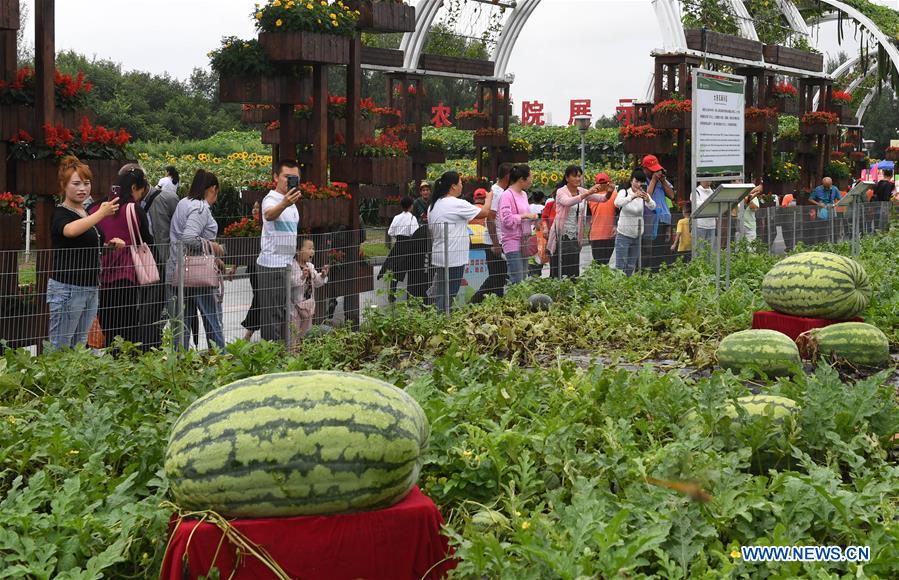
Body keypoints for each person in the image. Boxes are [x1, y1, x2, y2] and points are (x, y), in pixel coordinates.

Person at [48, 156, 125, 349]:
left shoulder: (86, 213)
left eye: (86, 183)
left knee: (79, 346)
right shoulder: (61, 213)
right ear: (64, 186)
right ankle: (55, 380)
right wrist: (101, 213)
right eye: (76, 183)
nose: (82, 188)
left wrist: (108, 246)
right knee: (61, 346)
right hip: (68, 288)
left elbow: (85, 245)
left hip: (90, 287)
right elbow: (70, 231)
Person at [90, 166, 158, 350]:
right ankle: (123, 361)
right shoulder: (134, 209)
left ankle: (108, 360)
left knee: (105, 323)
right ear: (135, 188)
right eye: (141, 192)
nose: (140, 197)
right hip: (125, 275)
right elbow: (148, 241)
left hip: (98, 276)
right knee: (126, 324)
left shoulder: (95, 208)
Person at [167, 169, 225, 350]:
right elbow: (189, 238)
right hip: (199, 274)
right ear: (213, 189)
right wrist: (213, 247)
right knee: (212, 320)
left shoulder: (184, 202)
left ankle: (179, 363)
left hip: (179, 271)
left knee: (181, 324)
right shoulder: (200, 208)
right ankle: (220, 358)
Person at [427, 171, 490, 312]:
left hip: (439, 255)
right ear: (453, 186)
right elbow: (485, 212)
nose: (462, 186)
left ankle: (436, 317)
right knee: (449, 294)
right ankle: (441, 319)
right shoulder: (456, 203)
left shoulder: (433, 204)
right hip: (454, 257)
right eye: (461, 183)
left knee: (441, 293)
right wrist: (490, 196)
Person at [256, 160, 302, 342]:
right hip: (272, 265)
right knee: (272, 317)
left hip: (286, 265)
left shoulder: (293, 204)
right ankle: (269, 356)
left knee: (283, 313)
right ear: (276, 177)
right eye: (286, 177)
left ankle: (281, 354)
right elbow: (268, 214)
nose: (290, 181)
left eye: (295, 178)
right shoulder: (271, 198)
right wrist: (284, 203)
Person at [547, 165, 609, 278]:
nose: (577, 179)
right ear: (567, 178)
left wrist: (609, 191)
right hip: (561, 235)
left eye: (579, 176)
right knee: (559, 269)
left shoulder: (580, 191)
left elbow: (602, 199)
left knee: (573, 270)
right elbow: (567, 202)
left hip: (575, 236)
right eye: (574, 176)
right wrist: (587, 193)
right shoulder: (561, 191)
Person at [471, 164, 512, 304]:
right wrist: (495, 244)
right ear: (507, 175)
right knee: (496, 277)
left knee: (499, 278)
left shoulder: (500, 190)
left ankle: (496, 304)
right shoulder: (497, 192)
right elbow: (490, 218)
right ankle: (474, 302)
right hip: (493, 242)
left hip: (497, 240)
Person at [498, 165, 539, 285]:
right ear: (522, 179)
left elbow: (525, 215)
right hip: (512, 242)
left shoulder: (524, 194)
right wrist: (525, 216)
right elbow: (506, 220)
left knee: (523, 278)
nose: (532, 180)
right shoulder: (507, 195)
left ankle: (519, 302)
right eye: (530, 177)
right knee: (516, 278)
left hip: (524, 241)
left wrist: (534, 219)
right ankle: (512, 302)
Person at [614, 169, 656, 276]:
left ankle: (627, 288)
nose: (639, 184)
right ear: (631, 180)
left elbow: (653, 206)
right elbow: (617, 203)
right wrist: (632, 196)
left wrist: (647, 200)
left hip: (637, 235)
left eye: (641, 182)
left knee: (630, 265)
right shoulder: (625, 192)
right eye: (636, 181)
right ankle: (617, 287)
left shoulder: (643, 194)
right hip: (624, 234)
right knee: (620, 266)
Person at [379, 196, 419, 303]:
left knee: (395, 270)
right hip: (409, 246)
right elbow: (415, 233)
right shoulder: (412, 218)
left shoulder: (396, 217)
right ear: (411, 206)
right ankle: (411, 294)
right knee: (412, 269)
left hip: (398, 244)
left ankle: (392, 294)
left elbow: (390, 232)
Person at [640, 155, 675, 270]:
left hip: (664, 219)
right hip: (652, 221)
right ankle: (651, 274)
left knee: (662, 250)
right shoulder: (642, 181)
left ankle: (659, 273)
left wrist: (663, 180)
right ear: (645, 169)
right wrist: (654, 180)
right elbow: (647, 196)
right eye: (652, 170)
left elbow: (672, 195)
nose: (656, 172)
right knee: (651, 250)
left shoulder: (661, 181)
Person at [290, 238, 328, 342]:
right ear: (298, 251)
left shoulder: (310, 266)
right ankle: (293, 354)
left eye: (313, 248)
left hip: (308, 305)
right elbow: (291, 283)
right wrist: (302, 277)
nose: (312, 251)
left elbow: (316, 282)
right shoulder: (292, 266)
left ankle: (303, 351)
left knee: (306, 333)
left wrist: (323, 275)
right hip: (295, 307)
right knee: (294, 334)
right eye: (309, 248)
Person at [242, 201, 264, 341]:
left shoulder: (266, 226)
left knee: (259, 298)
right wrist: (234, 267)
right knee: (259, 297)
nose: (254, 210)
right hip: (253, 267)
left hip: (263, 266)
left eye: (258, 207)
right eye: (253, 207)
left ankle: (249, 333)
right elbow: (244, 249)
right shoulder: (249, 227)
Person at [587, 172, 618, 265]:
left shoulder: (591, 197)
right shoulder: (615, 194)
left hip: (597, 235)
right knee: (605, 263)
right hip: (609, 234)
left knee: (598, 263)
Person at [810, 177, 840, 244]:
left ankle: (834, 243)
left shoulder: (835, 189)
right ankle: (822, 244)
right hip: (822, 212)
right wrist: (818, 204)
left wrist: (835, 204)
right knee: (822, 229)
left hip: (832, 210)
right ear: (823, 184)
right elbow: (810, 199)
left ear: (831, 184)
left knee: (834, 228)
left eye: (829, 186)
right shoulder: (818, 189)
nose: (827, 188)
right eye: (825, 186)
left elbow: (839, 199)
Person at [691, 180, 717, 252]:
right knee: (699, 250)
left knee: (710, 251)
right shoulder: (695, 192)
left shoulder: (714, 191)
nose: (708, 181)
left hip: (712, 225)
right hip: (699, 225)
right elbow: (697, 205)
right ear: (701, 180)